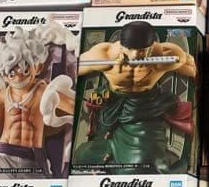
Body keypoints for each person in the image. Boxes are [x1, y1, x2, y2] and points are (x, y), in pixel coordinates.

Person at [72, 20, 196, 173]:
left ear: (151, 45)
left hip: (145, 107)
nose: (135, 55)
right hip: (113, 105)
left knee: (142, 165)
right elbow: (72, 69)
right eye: (130, 49)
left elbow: (191, 67)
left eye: (142, 50)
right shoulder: (104, 55)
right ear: (122, 45)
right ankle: (109, 151)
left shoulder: (165, 55)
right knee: (83, 156)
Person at [0, 24, 76, 177]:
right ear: (4, 75)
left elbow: (75, 108)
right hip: (2, 155)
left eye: (25, 70)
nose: (18, 78)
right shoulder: (2, 95)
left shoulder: (43, 92)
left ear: (38, 68)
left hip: (33, 160)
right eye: (11, 73)